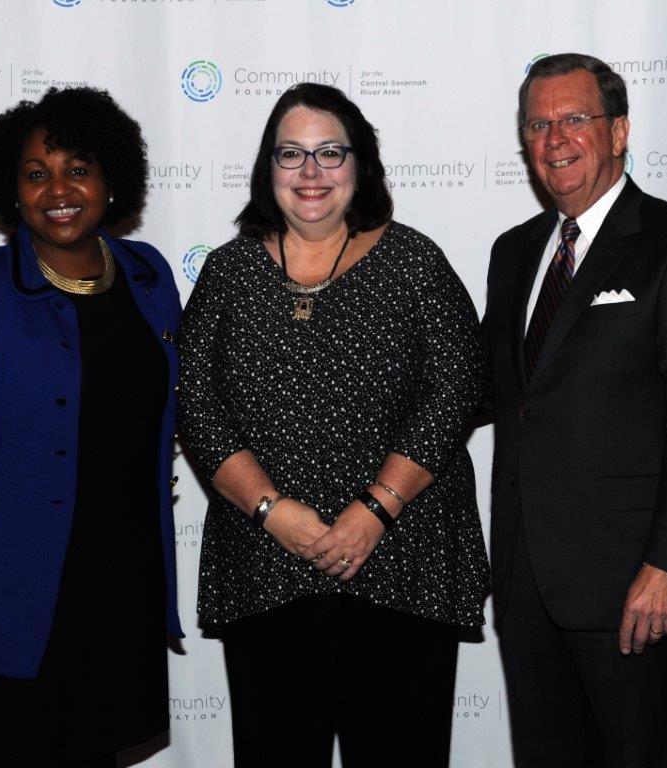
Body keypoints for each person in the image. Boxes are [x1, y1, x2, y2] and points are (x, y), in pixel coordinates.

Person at [177, 82, 488, 768]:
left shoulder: (413, 262)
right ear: (267, 169)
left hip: (402, 563)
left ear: (360, 165)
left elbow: (456, 386)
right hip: (266, 568)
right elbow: (195, 402)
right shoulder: (227, 272)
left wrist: (373, 511)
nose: (310, 173)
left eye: (329, 153)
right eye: (291, 154)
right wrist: (271, 510)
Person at [0, 87, 182, 768]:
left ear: (111, 180)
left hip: (120, 591)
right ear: (12, 189)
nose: (57, 189)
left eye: (78, 168)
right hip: (9, 602)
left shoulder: (149, 277)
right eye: (36, 173)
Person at [480, 53, 667, 766]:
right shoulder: (513, 253)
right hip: (527, 586)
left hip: (634, 588)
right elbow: (489, 390)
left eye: (574, 119)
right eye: (537, 123)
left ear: (618, 131)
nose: (554, 138)